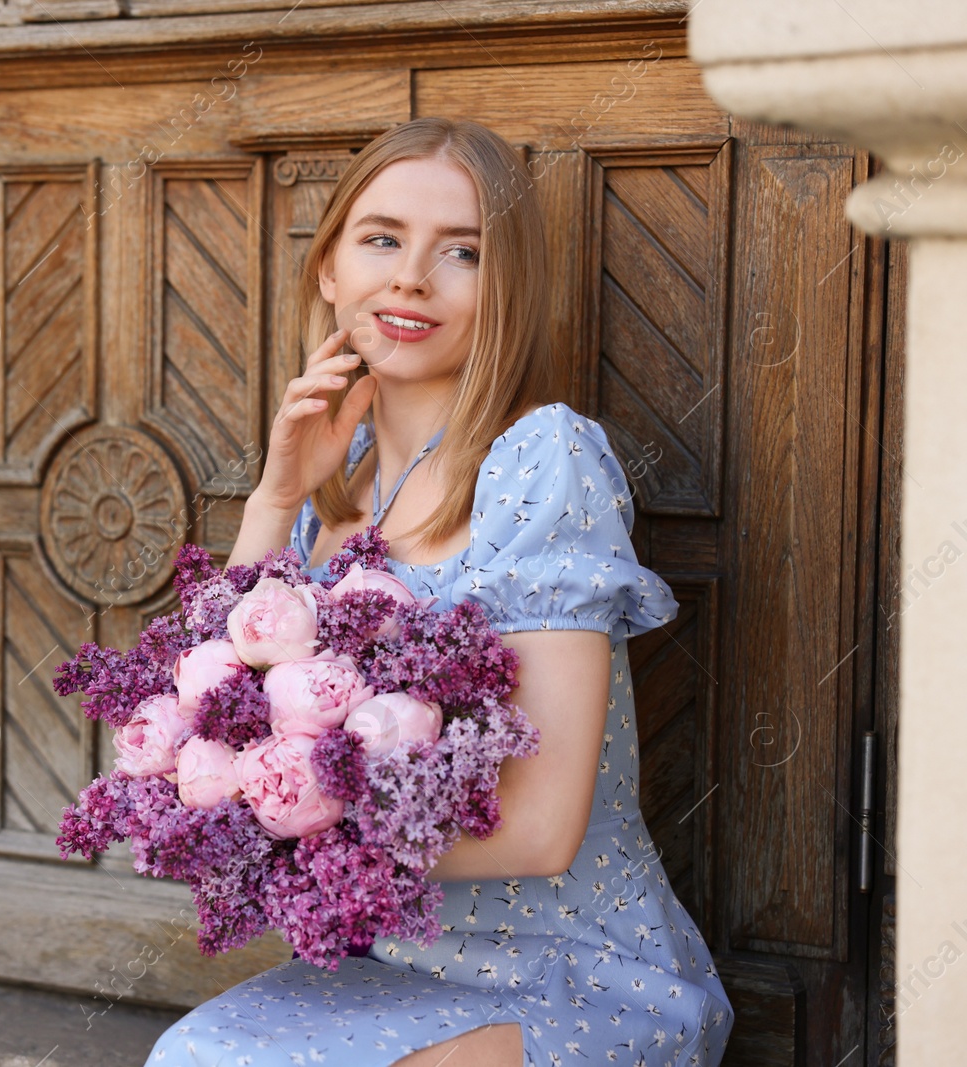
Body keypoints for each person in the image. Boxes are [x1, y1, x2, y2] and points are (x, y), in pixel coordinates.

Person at [144, 117, 733, 1067]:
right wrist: (277, 493)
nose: (412, 276)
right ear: (330, 267)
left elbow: (541, 832)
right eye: (382, 238)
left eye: (462, 251)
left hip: (568, 971)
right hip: (382, 964)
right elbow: (208, 709)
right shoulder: (335, 489)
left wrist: (273, 832)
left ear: (509, 287)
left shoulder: (544, 459)